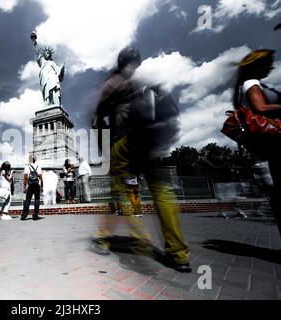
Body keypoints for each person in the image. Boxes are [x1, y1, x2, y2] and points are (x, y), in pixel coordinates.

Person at [92, 45, 191, 273]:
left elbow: (98, 119)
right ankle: (178, 254)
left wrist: (104, 149)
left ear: (120, 61)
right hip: (149, 142)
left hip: (123, 142)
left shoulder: (112, 83)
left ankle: (112, 238)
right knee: (162, 192)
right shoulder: (143, 84)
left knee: (119, 193)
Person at [233, 49, 281, 235]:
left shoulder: (244, 87)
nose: (271, 66)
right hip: (270, 147)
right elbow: (260, 107)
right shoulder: (251, 83)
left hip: (262, 149)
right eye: (268, 63)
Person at [31, 31, 65, 106]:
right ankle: (48, 102)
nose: (47, 54)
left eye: (49, 53)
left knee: (54, 87)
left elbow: (58, 71)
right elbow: (37, 52)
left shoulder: (52, 62)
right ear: (44, 54)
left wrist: (62, 68)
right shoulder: (42, 60)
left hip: (52, 76)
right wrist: (34, 41)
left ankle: (55, 102)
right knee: (46, 88)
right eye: (46, 53)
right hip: (44, 76)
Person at [21, 155, 44, 221]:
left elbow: (25, 178)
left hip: (30, 185)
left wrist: (24, 187)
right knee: (37, 200)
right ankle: (35, 216)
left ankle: (24, 216)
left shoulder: (27, 166)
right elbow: (41, 178)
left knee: (27, 200)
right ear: (35, 160)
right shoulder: (38, 166)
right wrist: (42, 186)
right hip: (37, 185)